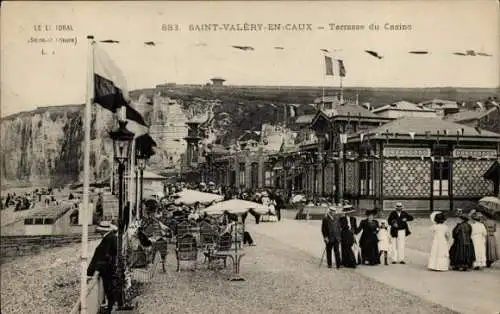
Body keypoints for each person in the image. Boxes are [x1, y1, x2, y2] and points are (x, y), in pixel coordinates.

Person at [87, 222, 119, 314]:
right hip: (107, 266)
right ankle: (109, 306)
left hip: (106, 268)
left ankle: (109, 308)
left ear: (102, 231)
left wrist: (97, 269)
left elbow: (104, 255)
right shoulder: (110, 236)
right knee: (108, 288)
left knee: (108, 288)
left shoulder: (108, 238)